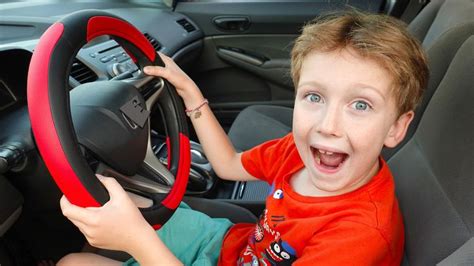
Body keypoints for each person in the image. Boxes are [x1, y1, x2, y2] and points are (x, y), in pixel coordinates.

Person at [58, 10, 428, 266]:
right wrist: (191, 93)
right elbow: (228, 165)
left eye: (361, 105)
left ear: (396, 127)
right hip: (229, 245)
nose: (328, 126)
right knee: (119, 199)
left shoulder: (361, 237)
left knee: (72, 261)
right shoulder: (297, 152)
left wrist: (137, 240)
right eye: (314, 97)